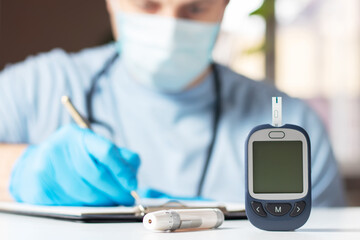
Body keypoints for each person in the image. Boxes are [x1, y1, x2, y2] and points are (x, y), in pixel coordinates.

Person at [0, 0, 345, 207]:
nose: (168, 29)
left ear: (225, 6)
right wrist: (23, 171)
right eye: (148, 3)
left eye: (194, 8)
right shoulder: (33, 86)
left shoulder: (291, 126)